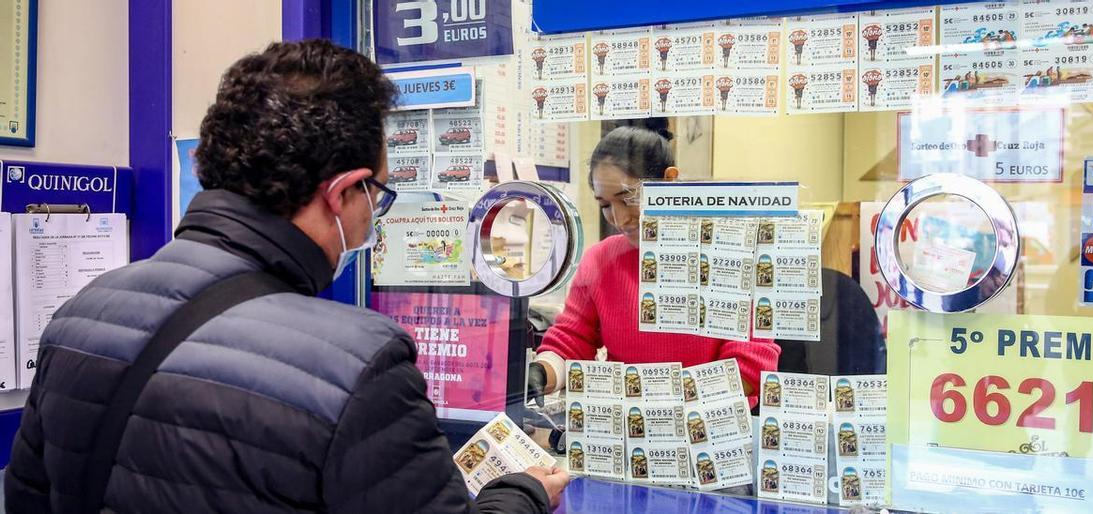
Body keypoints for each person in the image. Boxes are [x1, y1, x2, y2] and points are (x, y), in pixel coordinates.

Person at [4, 40, 567, 514]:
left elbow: (27, 497)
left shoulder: (82, 314)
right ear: (342, 192)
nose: (374, 215)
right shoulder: (357, 363)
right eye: (377, 195)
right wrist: (519, 495)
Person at [527, 126, 780, 405]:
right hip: (625, 429)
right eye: (605, 205)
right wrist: (543, 371)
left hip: (710, 430)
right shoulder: (600, 260)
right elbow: (572, 340)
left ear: (669, 181)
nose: (619, 219)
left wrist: (661, 402)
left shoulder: (727, 257)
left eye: (628, 198)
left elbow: (749, 367)